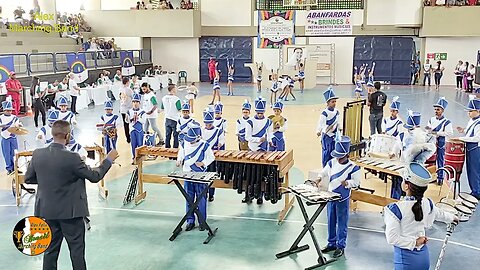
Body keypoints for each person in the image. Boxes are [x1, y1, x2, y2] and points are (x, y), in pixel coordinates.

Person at [24, 120, 118, 270]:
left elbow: (27, 179)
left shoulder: (37, 154)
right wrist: (108, 160)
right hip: (71, 214)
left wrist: (47, 181)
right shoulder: (73, 157)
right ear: (68, 136)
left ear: (52, 134)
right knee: (76, 252)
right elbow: (94, 176)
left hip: (47, 212)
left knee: (50, 252)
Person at [384, 162, 457, 270]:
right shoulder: (428, 203)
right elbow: (439, 214)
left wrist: (414, 242)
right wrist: (453, 217)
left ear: (406, 186)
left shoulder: (395, 209)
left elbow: (392, 238)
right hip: (423, 256)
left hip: (405, 260)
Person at [309, 136, 360, 258]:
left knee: (342, 223)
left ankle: (340, 246)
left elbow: (357, 183)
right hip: (331, 196)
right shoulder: (331, 162)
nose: (338, 158)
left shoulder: (353, 167)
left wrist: (347, 183)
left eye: (340, 156)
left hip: (342, 198)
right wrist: (319, 178)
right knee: (331, 221)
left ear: (346, 154)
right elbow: (324, 171)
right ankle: (331, 243)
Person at [176, 123, 215, 231]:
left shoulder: (204, 145)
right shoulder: (185, 143)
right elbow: (181, 153)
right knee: (189, 199)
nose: (190, 141)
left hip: (200, 175)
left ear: (198, 137)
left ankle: (202, 221)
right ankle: (190, 221)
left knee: (201, 199)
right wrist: (179, 160)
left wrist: (203, 163)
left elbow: (211, 157)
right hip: (188, 174)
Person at [244, 97, 272, 204]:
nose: (260, 114)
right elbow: (247, 137)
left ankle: (260, 196)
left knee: (261, 174)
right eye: (258, 113)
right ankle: (248, 195)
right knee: (250, 174)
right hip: (252, 149)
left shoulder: (268, 121)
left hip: (263, 150)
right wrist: (258, 139)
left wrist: (270, 140)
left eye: (261, 113)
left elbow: (270, 134)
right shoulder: (250, 121)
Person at [456, 95, 480, 200]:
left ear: (478, 111)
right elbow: (470, 132)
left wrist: (462, 139)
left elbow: (476, 138)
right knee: (470, 170)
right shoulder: (472, 120)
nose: (468, 113)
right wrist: (464, 130)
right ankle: (474, 190)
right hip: (470, 148)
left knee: (474, 171)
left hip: (476, 149)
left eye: (471, 111)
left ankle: (477, 192)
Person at [425, 97, 453, 185]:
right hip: (431, 142)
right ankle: (430, 177)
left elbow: (449, 133)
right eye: (435, 109)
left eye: (438, 109)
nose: (436, 111)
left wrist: (437, 133)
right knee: (429, 160)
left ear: (442, 110)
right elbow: (427, 129)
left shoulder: (447, 122)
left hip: (440, 143)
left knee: (440, 161)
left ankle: (440, 178)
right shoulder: (431, 119)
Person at [201, 107, 225, 202]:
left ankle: (211, 194)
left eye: (210, 123)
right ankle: (203, 192)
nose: (208, 125)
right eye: (206, 124)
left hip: (213, 156)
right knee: (202, 176)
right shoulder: (201, 129)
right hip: (203, 157)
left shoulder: (218, 130)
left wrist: (220, 143)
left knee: (211, 176)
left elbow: (222, 140)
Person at [316, 86, 340, 167]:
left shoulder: (337, 112)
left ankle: (333, 167)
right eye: (333, 102)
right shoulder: (324, 113)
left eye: (335, 101)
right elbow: (321, 124)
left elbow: (338, 121)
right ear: (328, 103)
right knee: (327, 153)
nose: (334, 103)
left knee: (334, 152)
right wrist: (319, 131)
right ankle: (325, 168)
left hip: (334, 135)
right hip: (327, 136)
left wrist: (339, 128)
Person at [0, 97, 22, 175]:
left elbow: (18, 124)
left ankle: (15, 167)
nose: (9, 112)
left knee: (15, 153)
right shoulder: (1, 118)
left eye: (10, 110)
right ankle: (9, 168)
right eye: (7, 110)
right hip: (5, 138)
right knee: (6, 154)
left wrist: (19, 125)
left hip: (13, 137)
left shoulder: (14, 117)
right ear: (4, 110)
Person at [127, 93, 146, 162]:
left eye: (137, 102)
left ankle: (140, 156)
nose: (135, 103)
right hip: (132, 130)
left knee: (140, 143)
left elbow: (144, 121)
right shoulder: (129, 111)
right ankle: (134, 157)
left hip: (140, 130)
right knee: (133, 144)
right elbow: (127, 120)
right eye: (134, 102)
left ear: (139, 103)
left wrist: (138, 118)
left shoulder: (142, 112)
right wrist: (131, 119)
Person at [120, 77, 133, 143]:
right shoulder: (128, 90)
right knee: (132, 122)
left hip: (122, 109)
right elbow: (133, 97)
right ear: (127, 82)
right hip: (128, 109)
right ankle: (132, 136)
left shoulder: (121, 89)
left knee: (125, 124)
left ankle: (128, 138)